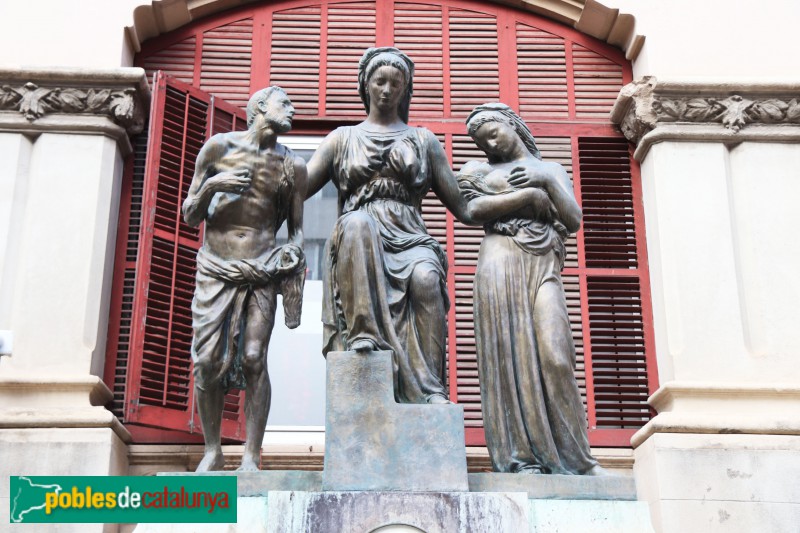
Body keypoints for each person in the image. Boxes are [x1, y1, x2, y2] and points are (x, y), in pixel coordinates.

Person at [305, 48, 540, 404]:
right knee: (355, 223)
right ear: (365, 85)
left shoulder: (425, 140)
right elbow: (299, 186)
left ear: (405, 90)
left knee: (427, 278)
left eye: (395, 84)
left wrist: (524, 198)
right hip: (360, 241)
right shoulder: (342, 139)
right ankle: (363, 336)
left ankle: (430, 389)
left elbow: (465, 209)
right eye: (379, 81)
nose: (386, 90)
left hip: (409, 235)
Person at [458, 102, 608, 475]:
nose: (489, 144)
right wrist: (527, 197)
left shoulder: (550, 169)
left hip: (543, 263)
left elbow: (572, 218)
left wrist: (544, 181)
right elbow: (471, 211)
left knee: (556, 355)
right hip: (499, 261)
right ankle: (521, 458)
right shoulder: (475, 170)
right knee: (509, 355)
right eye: (481, 141)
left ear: (511, 124)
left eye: (493, 131)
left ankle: (578, 460)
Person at [182, 87, 307, 471]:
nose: (291, 110)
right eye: (283, 103)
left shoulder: (293, 166)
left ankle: (252, 455)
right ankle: (212, 449)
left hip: (261, 270)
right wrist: (213, 186)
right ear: (258, 109)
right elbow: (189, 214)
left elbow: (298, 232)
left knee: (254, 358)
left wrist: (292, 255)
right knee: (205, 362)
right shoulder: (218, 148)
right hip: (216, 268)